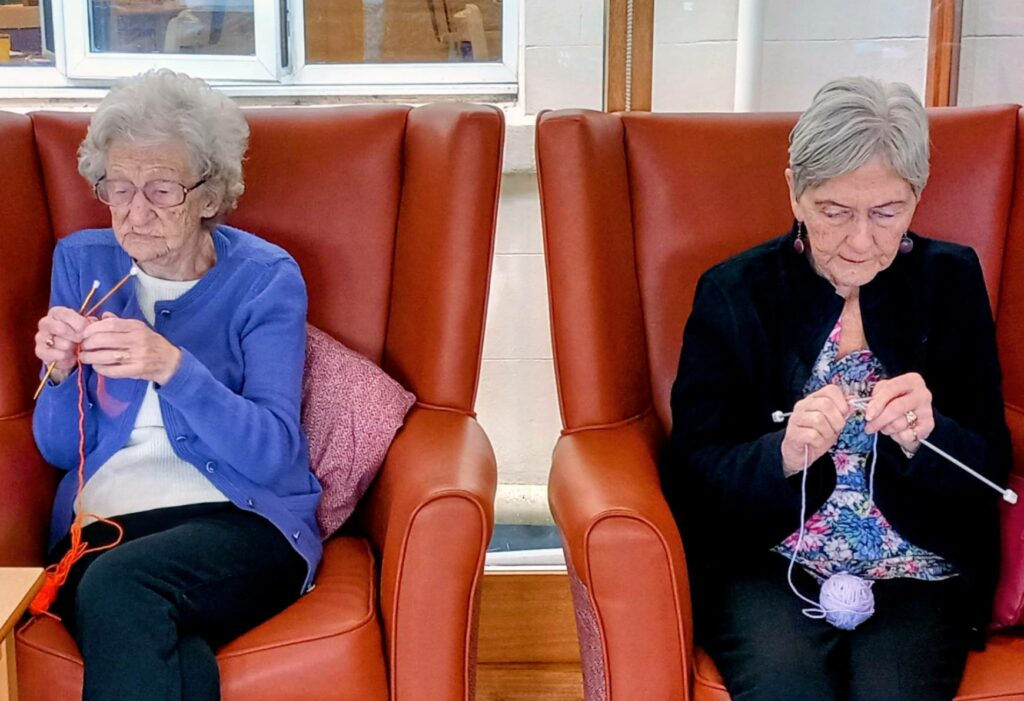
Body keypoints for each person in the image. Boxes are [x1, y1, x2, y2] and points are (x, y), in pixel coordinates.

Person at [664, 77, 1011, 700]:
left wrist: (930, 436)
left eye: (886, 213)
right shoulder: (734, 291)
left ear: (917, 196)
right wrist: (782, 456)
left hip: (921, 566)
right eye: (833, 211)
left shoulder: (950, 281)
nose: (860, 240)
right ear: (795, 186)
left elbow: (989, 467)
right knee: (784, 690)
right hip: (770, 561)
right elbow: (693, 469)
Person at [32, 69, 321, 701]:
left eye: (161, 190)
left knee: (120, 588)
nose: (134, 214)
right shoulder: (81, 263)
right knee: (173, 657)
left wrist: (174, 367)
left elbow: (272, 454)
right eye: (118, 188)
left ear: (210, 194)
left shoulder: (265, 278)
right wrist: (56, 374)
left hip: (240, 523)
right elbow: (59, 451)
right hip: (102, 529)